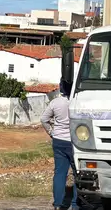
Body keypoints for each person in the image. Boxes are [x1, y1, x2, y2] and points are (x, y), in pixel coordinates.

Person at [41, 80, 77, 210]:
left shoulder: (55, 103)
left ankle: (58, 204)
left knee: (60, 173)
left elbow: (44, 119)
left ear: (61, 88)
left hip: (59, 141)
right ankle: (75, 204)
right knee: (78, 174)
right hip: (75, 143)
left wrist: (51, 132)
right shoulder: (76, 102)